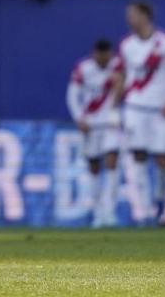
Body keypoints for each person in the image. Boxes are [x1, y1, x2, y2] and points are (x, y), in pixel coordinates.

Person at [113, 1, 165, 224]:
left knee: (163, 158)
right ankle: (143, 209)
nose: (128, 19)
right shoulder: (126, 45)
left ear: (145, 16)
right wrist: (116, 102)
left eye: (132, 14)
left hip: (160, 108)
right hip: (135, 107)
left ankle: (161, 202)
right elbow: (121, 75)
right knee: (138, 155)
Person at [67, 39, 122, 228]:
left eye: (106, 55)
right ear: (94, 53)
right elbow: (72, 94)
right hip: (90, 124)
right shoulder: (83, 68)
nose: (103, 59)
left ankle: (110, 211)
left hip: (110, 123)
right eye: (100, 55)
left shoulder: (118, 66)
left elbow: (123, 89)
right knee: (94, 166)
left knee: (112, 161)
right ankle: (98, 213)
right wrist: (78, 118)